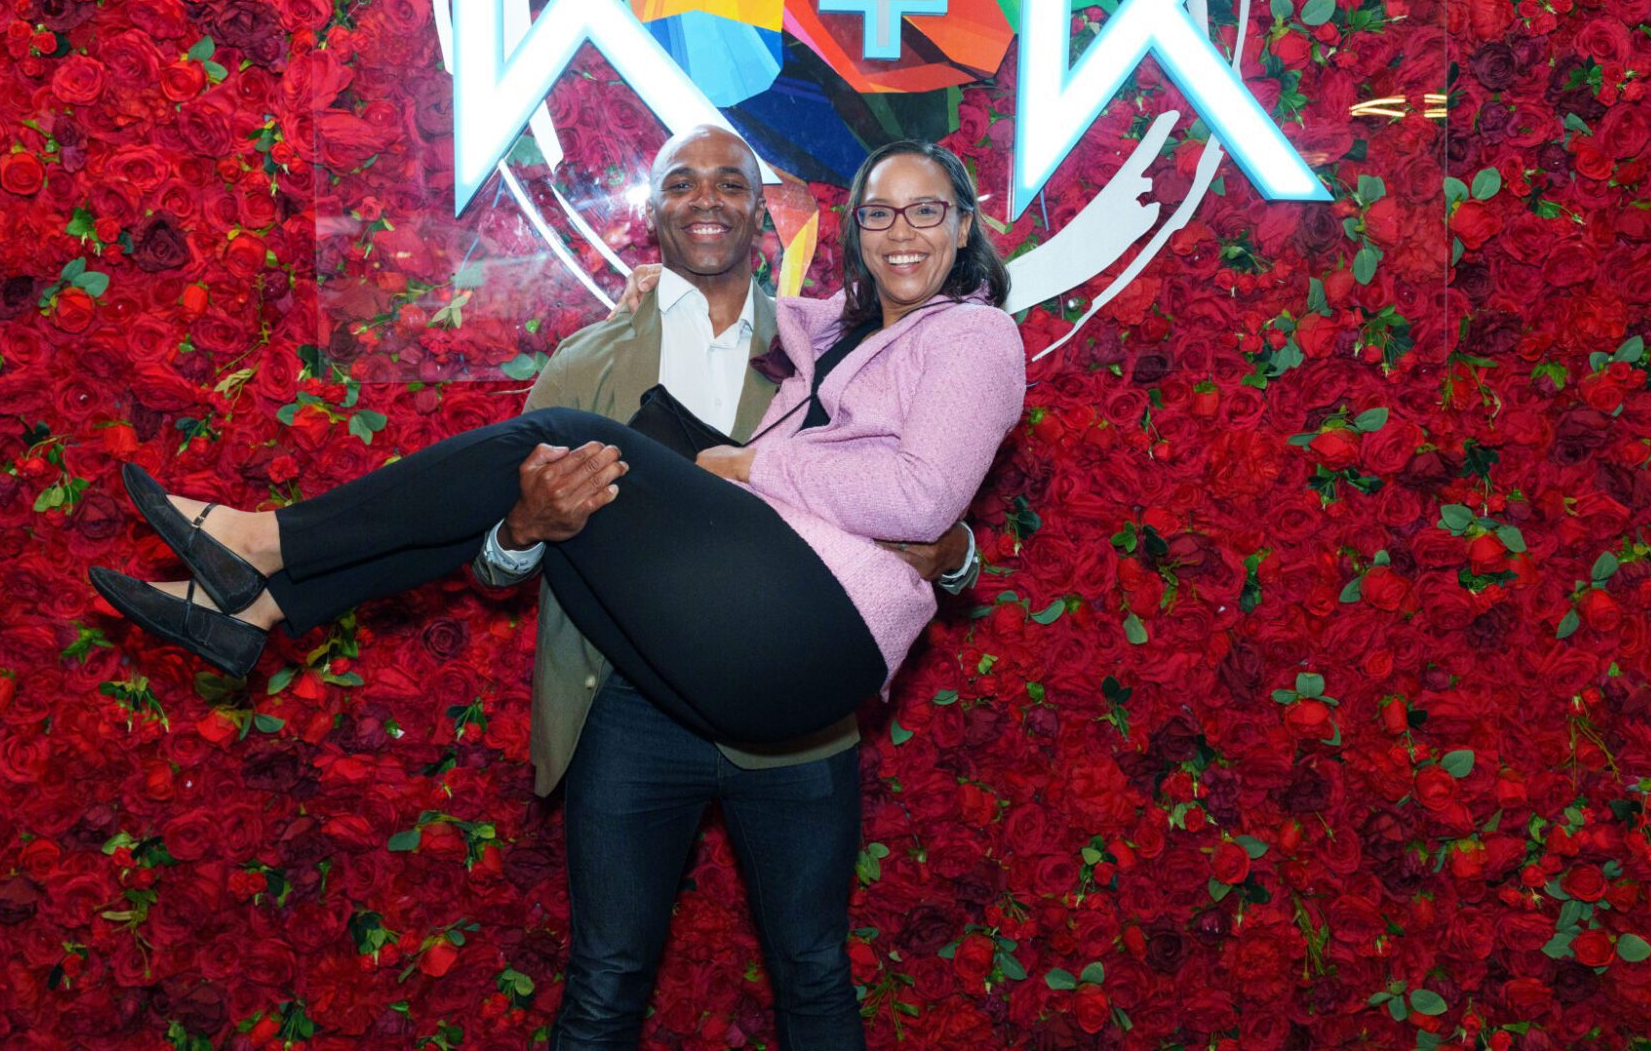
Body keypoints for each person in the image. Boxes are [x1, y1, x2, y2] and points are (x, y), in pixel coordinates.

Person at [87, 135, 1025, 748]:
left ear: (963, 226)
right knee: (559, 484)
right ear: (855, 231)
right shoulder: (840, 329)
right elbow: (775, 310)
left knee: (570, 442)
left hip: (820, 623)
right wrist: (653, 291)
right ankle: (258, 608)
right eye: (878, 212)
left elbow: (921, 500)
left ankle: (260, 541)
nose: (901, 232)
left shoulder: (975, 333)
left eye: (927, 210)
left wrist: (751, 463)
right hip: (739, 636)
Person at [466, 126, 978, 1049]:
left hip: (793, 713)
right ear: (653, 210)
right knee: (605, 980)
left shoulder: (832, 349)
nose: (706, 199)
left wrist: (955, 549)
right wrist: (523, 530)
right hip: (630, 712)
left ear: (760, 213)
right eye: (682, 183)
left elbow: (922, 482)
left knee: (814, 971)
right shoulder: (587, 362)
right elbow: (495, 557)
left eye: (731, 184)